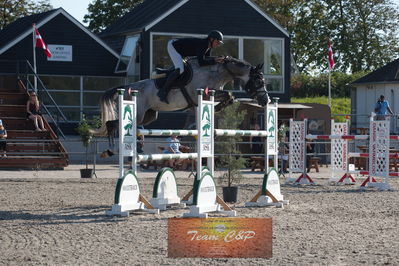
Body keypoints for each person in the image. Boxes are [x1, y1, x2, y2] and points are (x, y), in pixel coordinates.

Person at [157, 30, 225, 103]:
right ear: (211, 39)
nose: (218, 44)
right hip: (174, 46)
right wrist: (215, 60)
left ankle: (163, 72)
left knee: (182, 68)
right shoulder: (203, 44)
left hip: (180, 50)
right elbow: (201, 63)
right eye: (217, 42)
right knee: (181, 69)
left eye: (219, 43)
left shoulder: (208, 47)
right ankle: (162, 91)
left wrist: (217, 59)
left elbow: (207, 60)